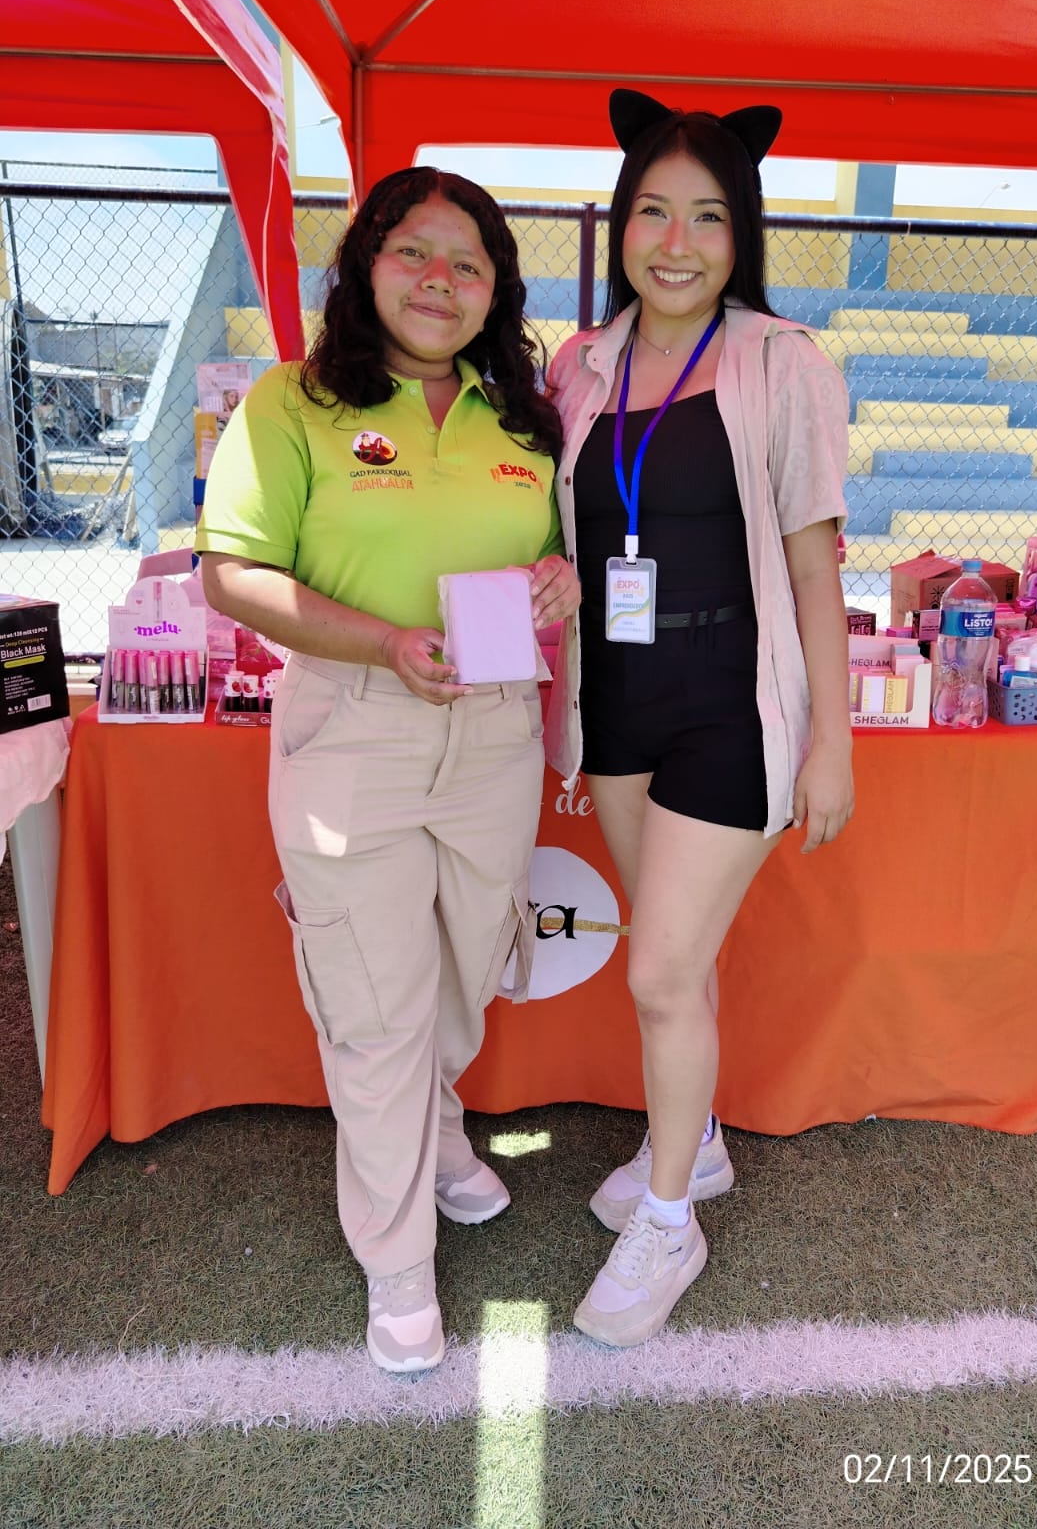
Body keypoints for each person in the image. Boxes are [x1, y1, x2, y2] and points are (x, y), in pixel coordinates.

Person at [195, 166, 580, 1373]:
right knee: (375, 1006)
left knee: (464, 971)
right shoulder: (295, 402)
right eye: (414, 251)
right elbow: (232, 575)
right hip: (356, 728)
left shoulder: (522, 423)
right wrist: (382, 644)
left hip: (497, 729)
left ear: (495, 293)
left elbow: (554, 560)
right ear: (367, 265)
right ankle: (399, 1263)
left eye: (469, 264)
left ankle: (442, 1126)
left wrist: (560, 583)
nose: (439, 281)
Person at [543, 90, 854, 1346]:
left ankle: (669, 1221)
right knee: (679, 953)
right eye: (655, 212)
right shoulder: (579, 364)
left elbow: (817, 564)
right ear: (622, 222)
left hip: (732, 695)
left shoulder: (785, 361)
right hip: (616, 696)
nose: (677, 243)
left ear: (744, 234)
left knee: (662, 967)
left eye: (710, 217)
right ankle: (701, 1140)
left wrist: (833, 740)